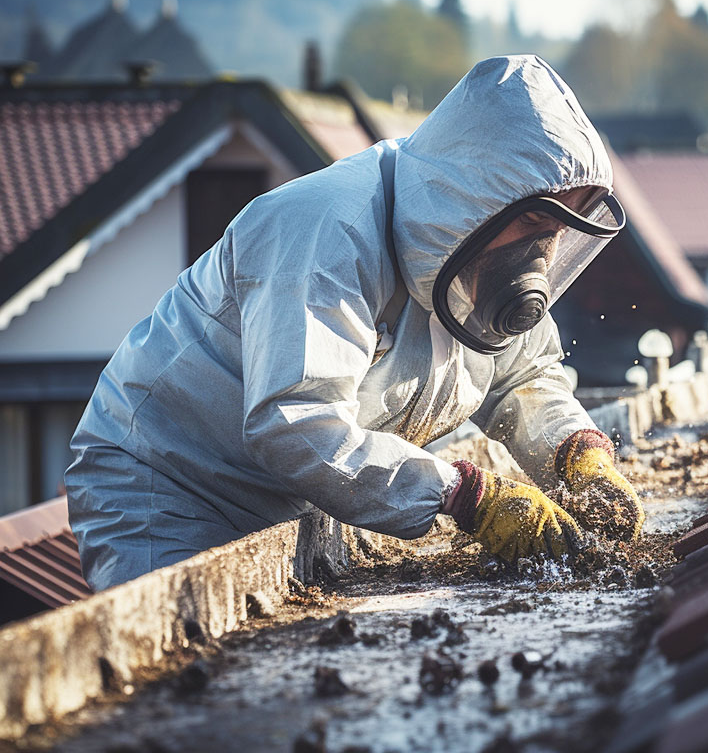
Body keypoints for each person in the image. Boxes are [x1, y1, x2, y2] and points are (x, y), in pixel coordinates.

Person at [64, 55, 644, 591]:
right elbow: (294, 420)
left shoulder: (465, 253)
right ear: (477, 198)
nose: (544, 252)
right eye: (538, 220)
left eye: (560, 230)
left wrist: (576, 451)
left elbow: (523, 375)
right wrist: (467, 495)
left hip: (294, 500)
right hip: (171, 487)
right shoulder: (321, 229)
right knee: (187, 685)